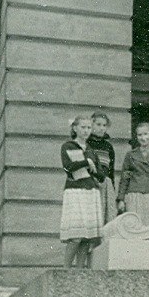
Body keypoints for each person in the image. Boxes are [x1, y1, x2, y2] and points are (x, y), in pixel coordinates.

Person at [60, 115, 105, 268]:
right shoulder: (68, 146)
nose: (86, 131)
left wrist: (93, 168)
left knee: (87, 236)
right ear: (75, 128)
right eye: (83, 127)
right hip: (75, 191)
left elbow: (101, 175)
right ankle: (65, 270)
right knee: (76, 236)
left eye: (88, 128)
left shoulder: (91, 150)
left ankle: (79, 272)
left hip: (90, 192)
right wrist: (86, 162)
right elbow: (68, 167)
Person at [117, 122, 149, 226]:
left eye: (145, 134)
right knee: (133, 227)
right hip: (134, 196)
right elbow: (125, 178)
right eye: (139, 135)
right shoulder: (130, 155)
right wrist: (121, 199)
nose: (143, 138)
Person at [87, 111, 117, 225]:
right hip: (91, 184)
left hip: (105, 185)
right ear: (92, 124)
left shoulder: (108, 146)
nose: (101, 128)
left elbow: (111, 171)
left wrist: (112, 191)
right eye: (98, 125)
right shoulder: (86, 143)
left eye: (104, 125)